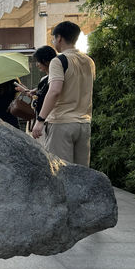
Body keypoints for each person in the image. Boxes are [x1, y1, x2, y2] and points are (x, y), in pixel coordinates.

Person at [32, 21, 95, 166]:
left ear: (59, 38)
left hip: (61, 123)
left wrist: (40, 120)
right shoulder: (89, 61)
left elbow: (54, 90)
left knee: (60, 172)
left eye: (53, 38)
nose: (53, 41)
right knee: (81, 174)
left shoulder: (58, 60)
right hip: (84, 124)